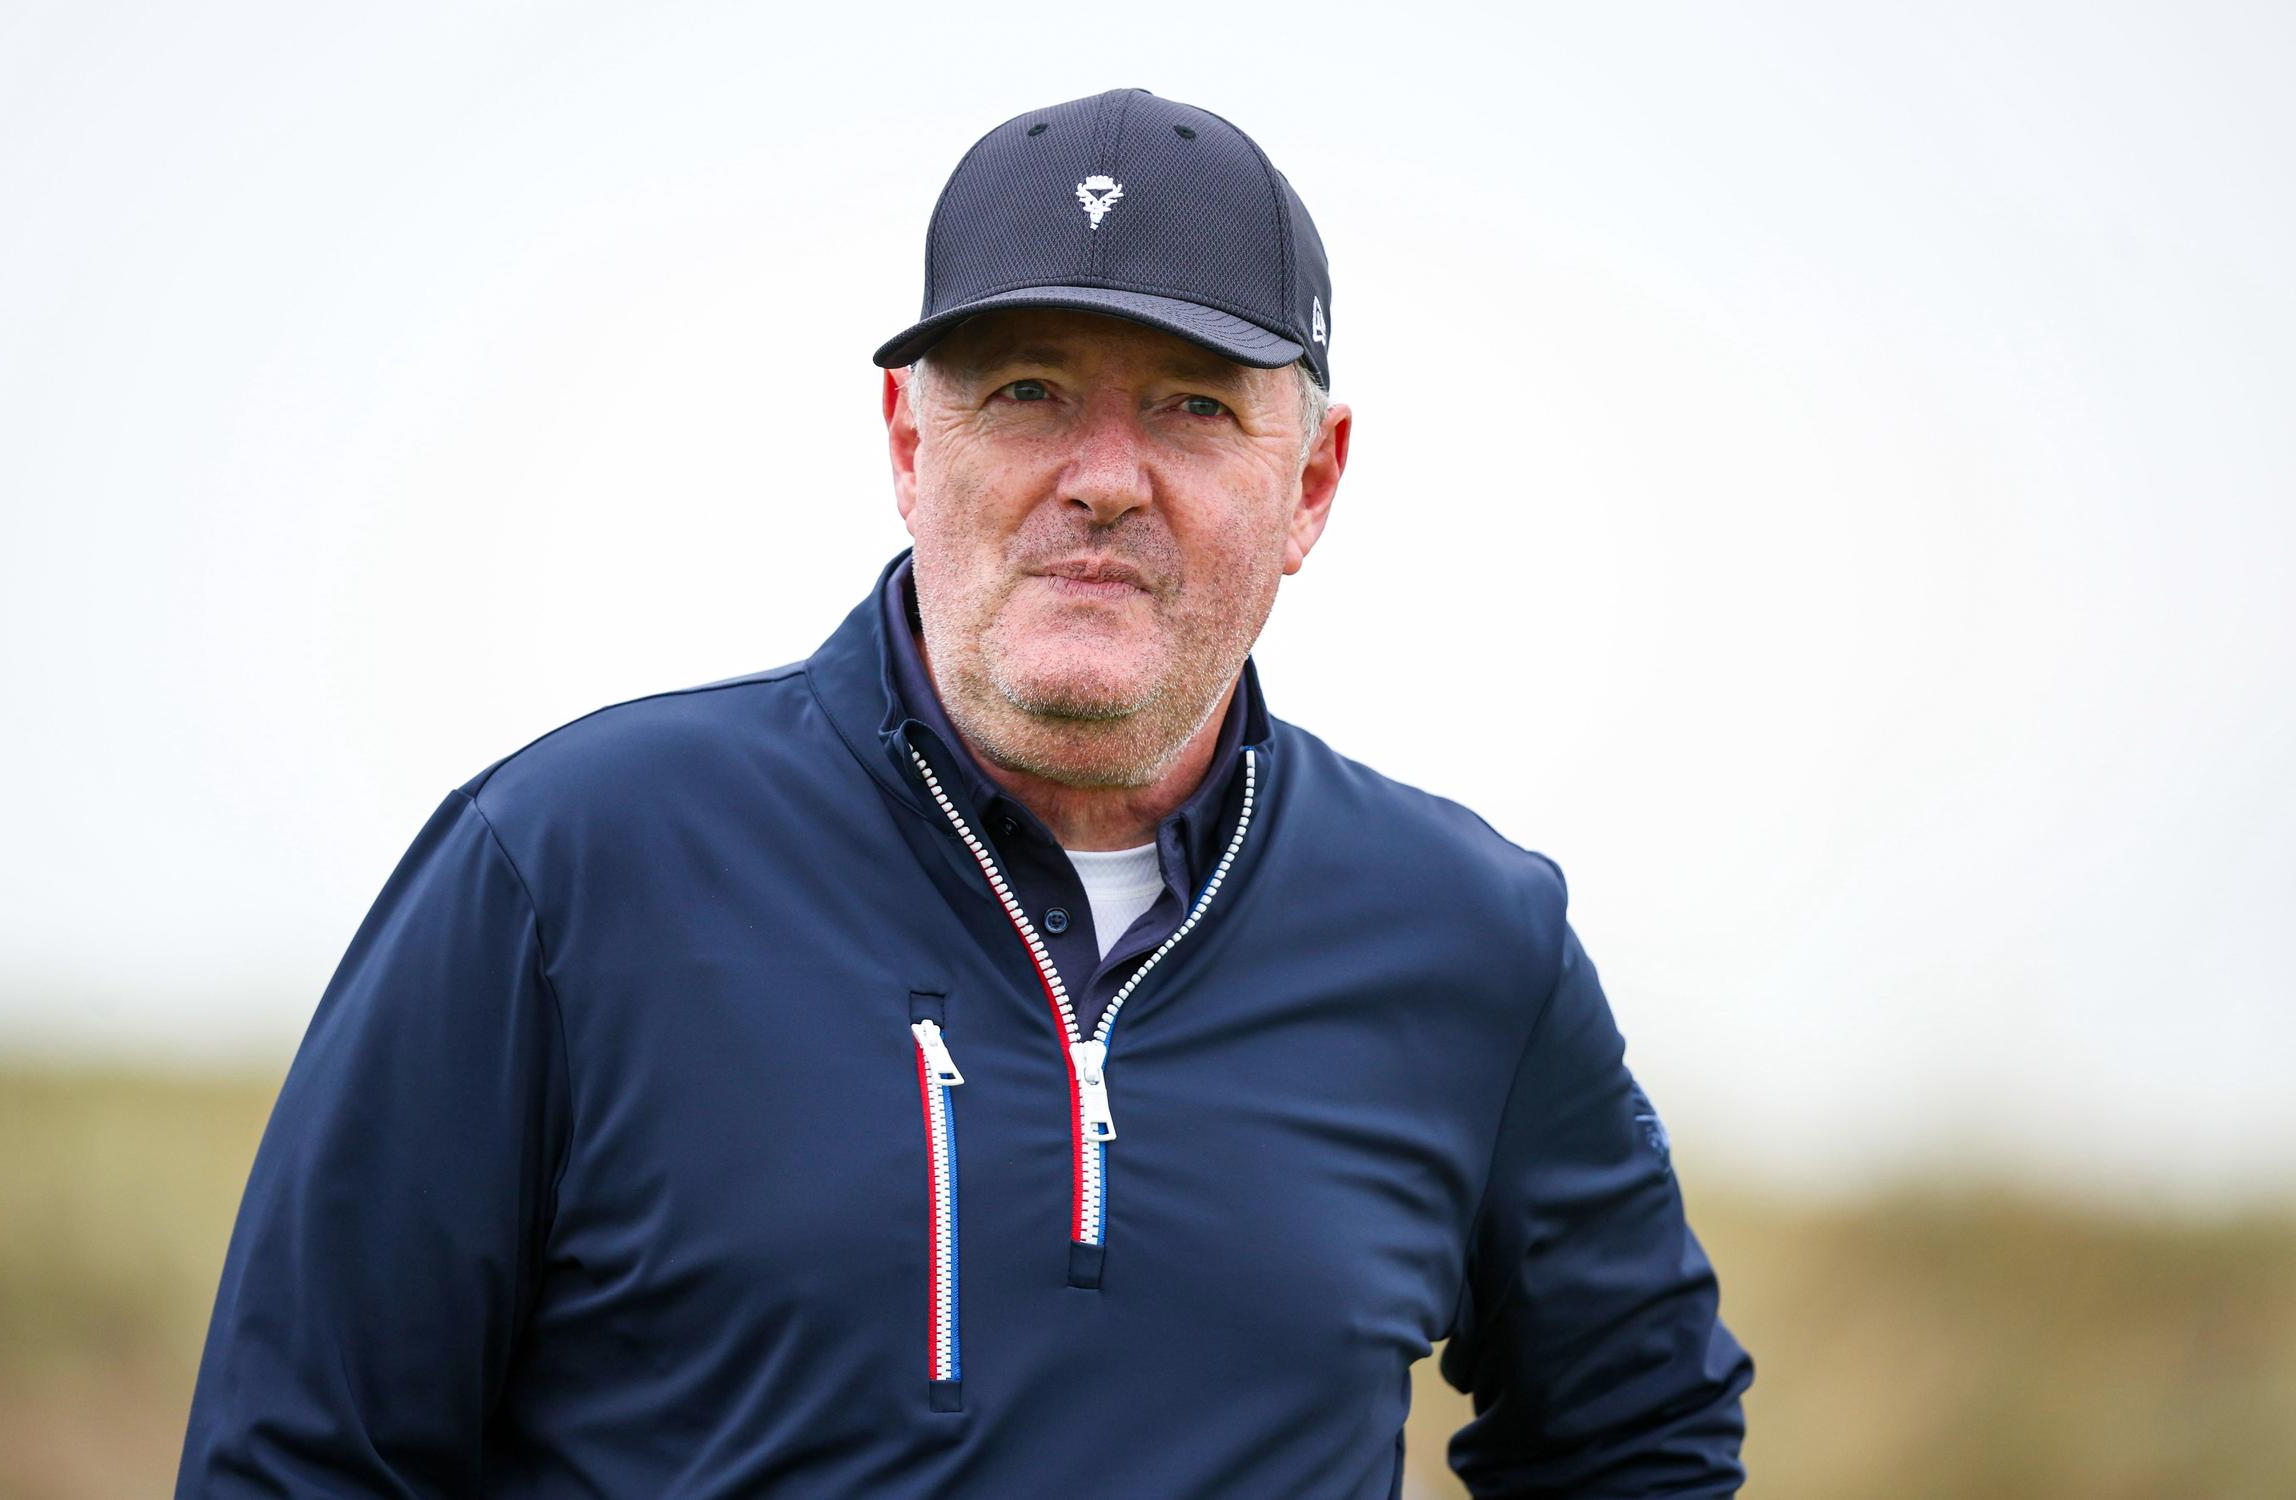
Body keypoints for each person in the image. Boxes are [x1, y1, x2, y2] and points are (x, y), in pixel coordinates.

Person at [177, 87, 1753, 1499]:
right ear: (905, 442)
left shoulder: (1471, 941)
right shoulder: (564, 870)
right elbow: (305, 1462)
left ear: (1314, 483)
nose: (1104, 475)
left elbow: (1641, 1446)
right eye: (1026, 392)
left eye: (1197, 404)